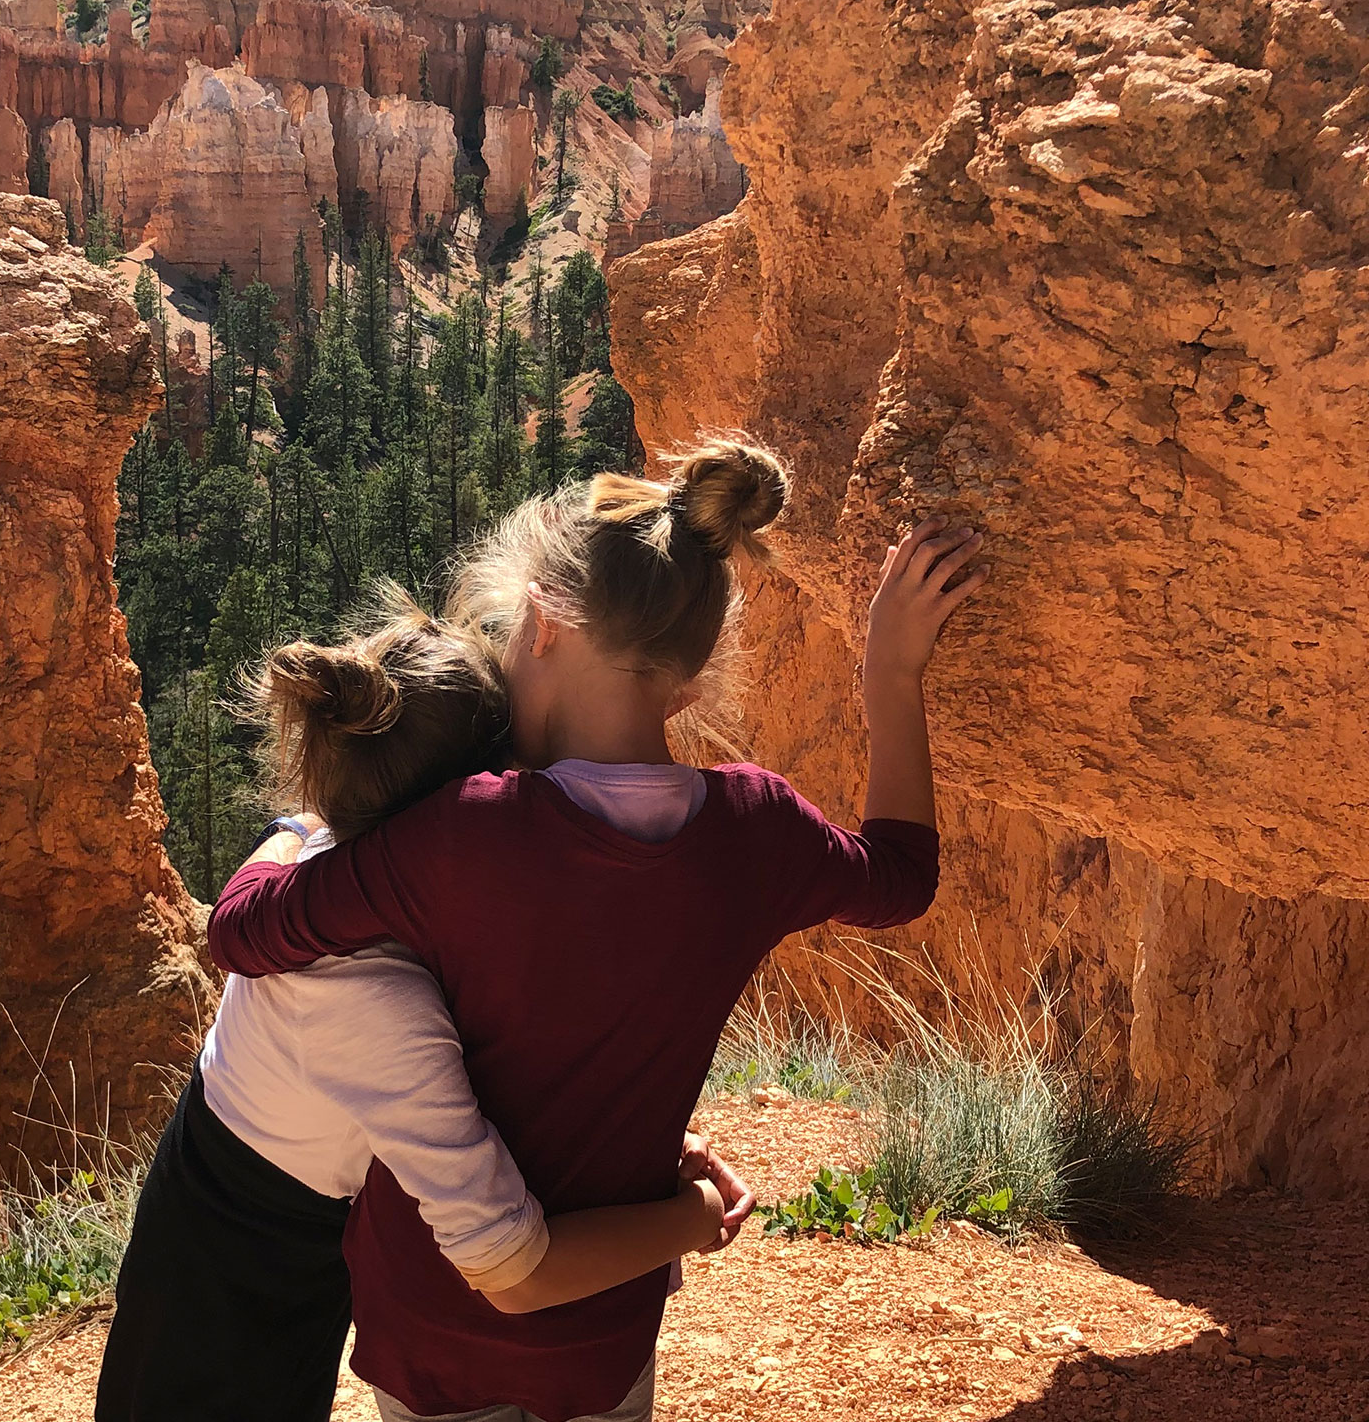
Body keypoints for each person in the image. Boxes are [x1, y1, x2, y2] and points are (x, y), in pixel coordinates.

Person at [208, 437, 985, 1422]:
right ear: (691, 679)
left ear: (539, 624)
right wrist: (890, 675)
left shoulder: (465, 832)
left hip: (428, 1325)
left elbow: (243, 934)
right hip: (603, 1332)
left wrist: (304, 831)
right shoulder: (755, 830)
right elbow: (900, 877)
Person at [94, 593, 756, 1422]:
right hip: (239, 1270)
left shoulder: (340, 877)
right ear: (466, 805)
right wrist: (690, 1217)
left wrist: (289, 828)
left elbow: (480, 1065)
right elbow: (515, 1267)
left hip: (246, 1209)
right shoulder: (372, 989)